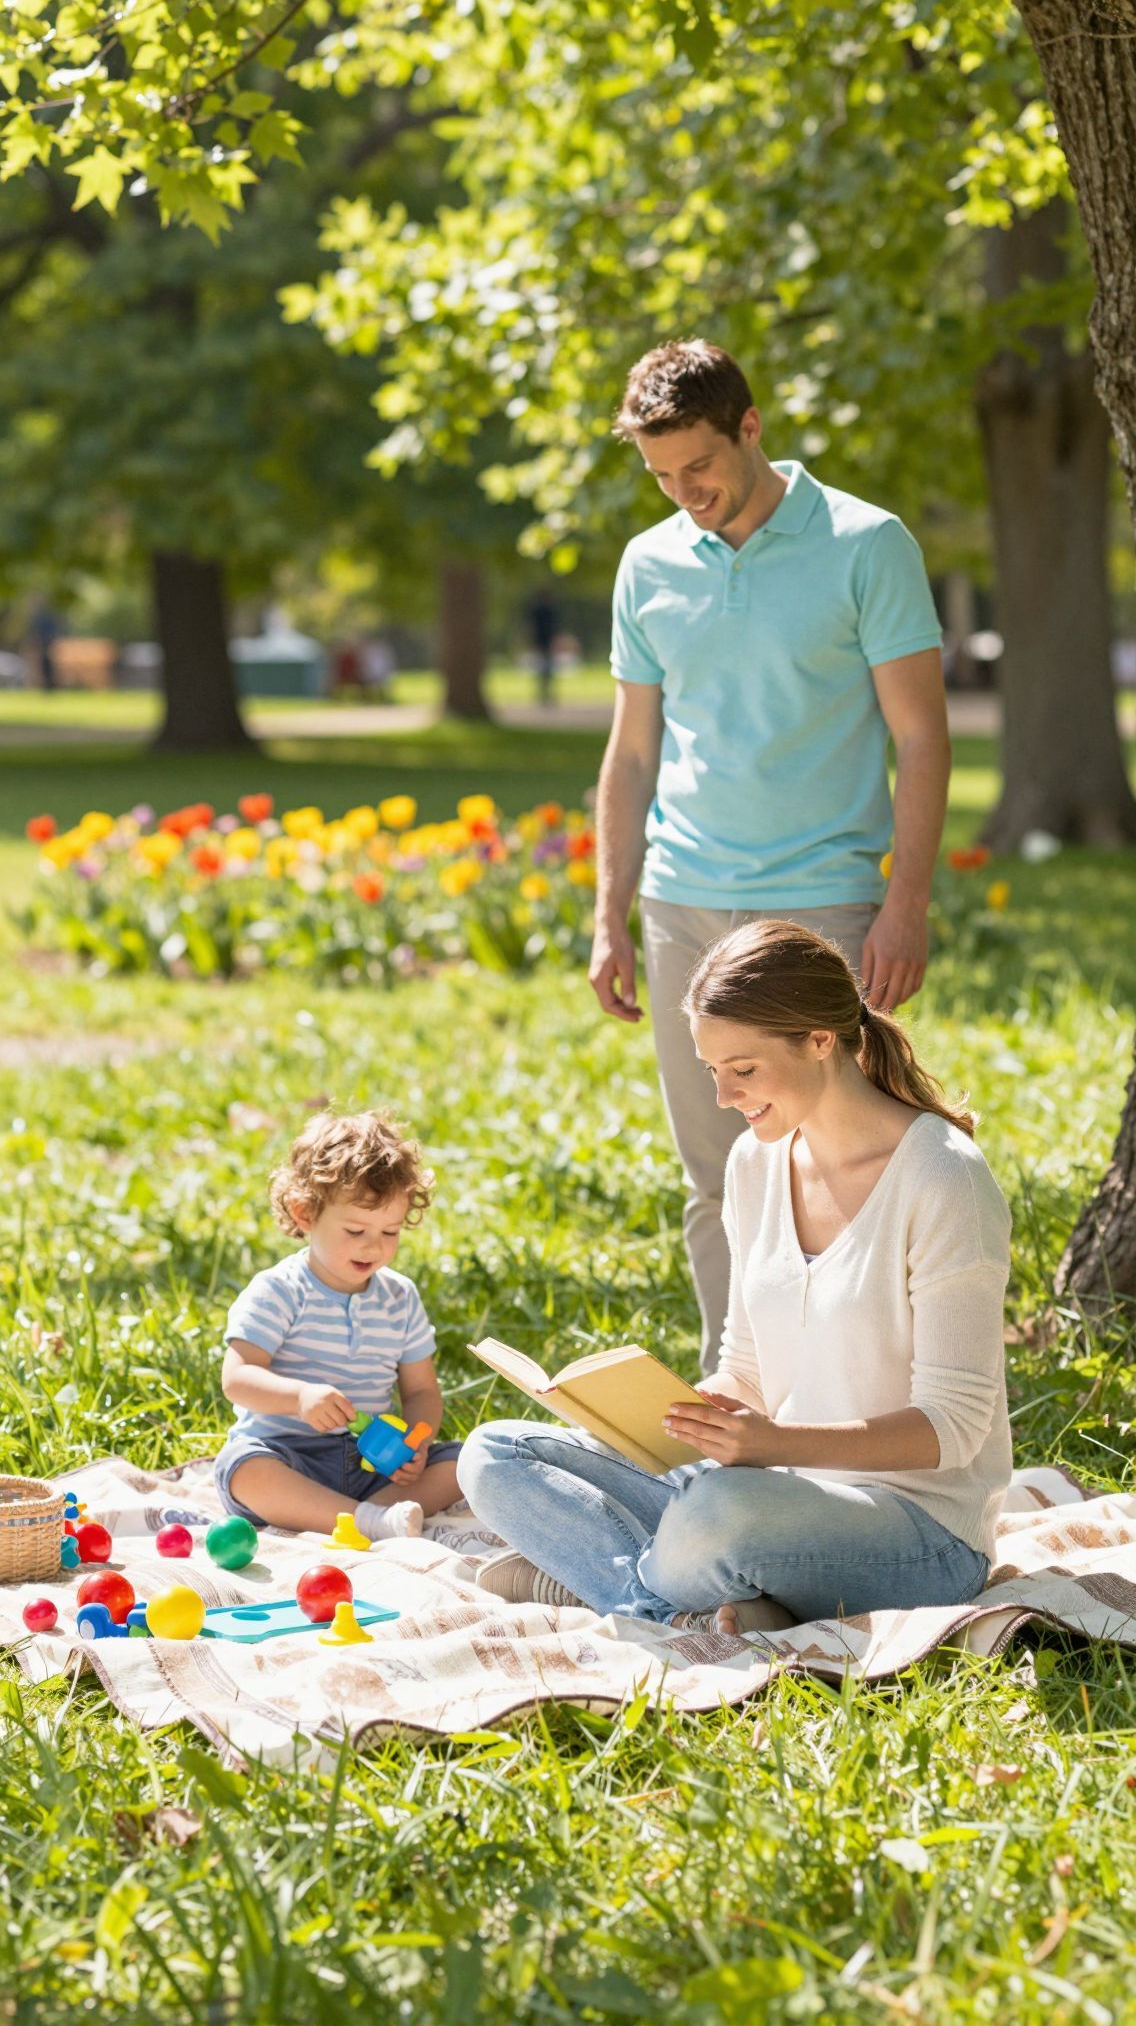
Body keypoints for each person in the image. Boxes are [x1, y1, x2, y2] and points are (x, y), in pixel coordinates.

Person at [461, 921, 1010, 1633]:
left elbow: (954, 1428)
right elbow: (746, 1367)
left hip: (919, 1535)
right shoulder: (756, 1164)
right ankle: (701, 1595)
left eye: (743, 1070)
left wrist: (774, 1444)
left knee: (717, 1514)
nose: (723, 1097)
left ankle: (615, 1588)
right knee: (498, 1453)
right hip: (771, 1488)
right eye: (711, 1070)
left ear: (819, 1038)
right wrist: (683, 1411)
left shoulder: (943, 1179)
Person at [589, 339, 950, 1372]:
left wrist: (905, 903)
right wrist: (609, 911)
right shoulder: (648, 564)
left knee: (846, 1160)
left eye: (697, 466)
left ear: (750, 426)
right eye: (660, 476)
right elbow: (632, 750)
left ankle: (863, 1383)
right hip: (684, 902)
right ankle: (735, 1387)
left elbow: (922, 735)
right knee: (718, 1170)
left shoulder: (865, 544)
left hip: (825, 904)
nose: (683, 493)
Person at [214, 1111, 461, 1539]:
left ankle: (369, 1517)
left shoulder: (399, 1298)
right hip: (288, 1456)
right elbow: (237, 1379)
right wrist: (299, 1396)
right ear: (305, 1213)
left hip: (371, 1466)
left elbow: (420, 1391)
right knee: (244, 1469)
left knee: (463, 1461)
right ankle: (366, 1521)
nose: (374, 1246)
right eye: (355, 1229)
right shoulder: (279, 1290)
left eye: (390, 1232)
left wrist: (417, 1441)